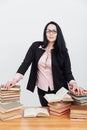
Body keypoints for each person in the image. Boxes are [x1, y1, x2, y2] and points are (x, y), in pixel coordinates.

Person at [4, 21, 84, 106]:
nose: (51, 33)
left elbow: (68, 72)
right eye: (48, 31)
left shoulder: (63, 51)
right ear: (45, 33)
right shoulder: (35, 46)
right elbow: (25, 64)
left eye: (54, 31)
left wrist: (74, 84)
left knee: (59, 116)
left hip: (60, 90)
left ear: (58, 34)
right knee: (46, 115)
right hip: (42, 91)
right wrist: (14, 80)